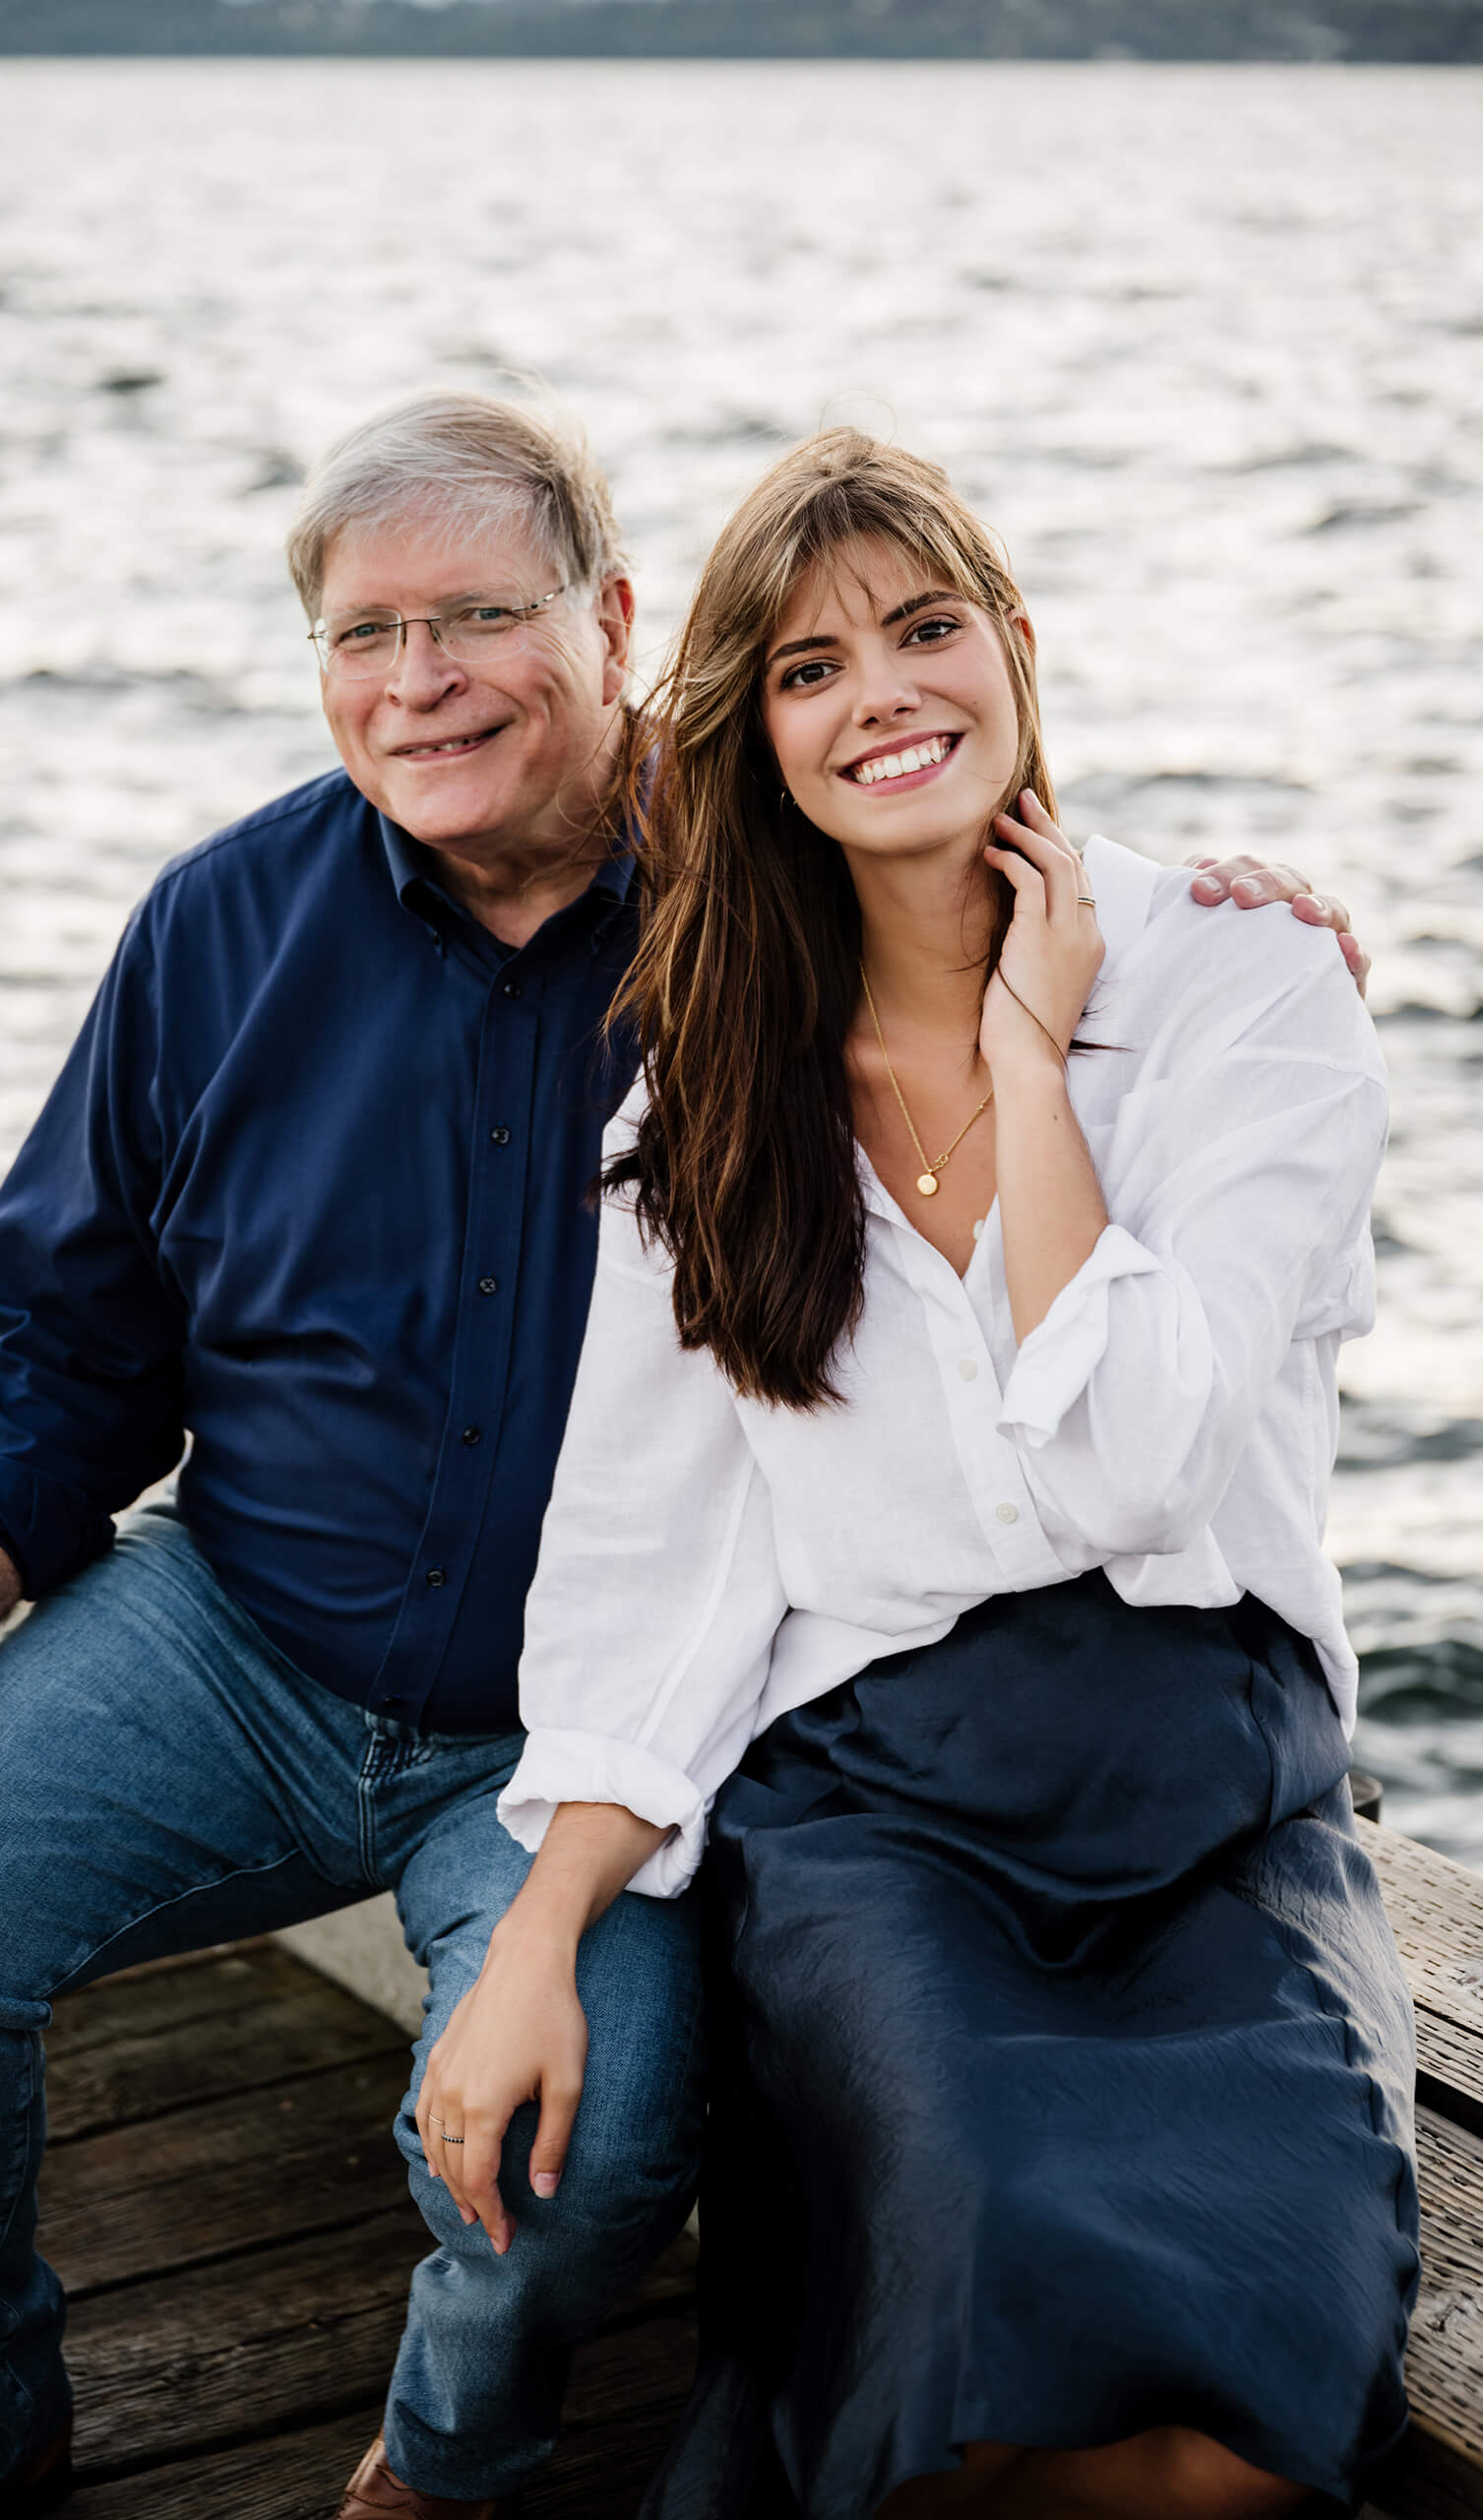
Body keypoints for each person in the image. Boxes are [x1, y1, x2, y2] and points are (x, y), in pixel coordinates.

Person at [0, 395, 1365, 2520]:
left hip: (590, 1716)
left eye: (476, 615)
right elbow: (65, 1328)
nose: (417, 678)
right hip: (245, 1620)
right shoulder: (220, 925)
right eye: (365, 633)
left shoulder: (747, 917)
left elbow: (927, 768)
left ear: (612, 621)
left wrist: (1201, 905)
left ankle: (447, 2460)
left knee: (606, 2118)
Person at [422, 429, 1419, 2520]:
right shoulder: (700, 1107)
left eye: (921, 628)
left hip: (1211, 1785)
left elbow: (1145, 1459)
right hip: (881, 1807)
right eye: (803, 667)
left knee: (1229, 2428)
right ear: (760, 739)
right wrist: (542, 1923)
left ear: (1016, 654)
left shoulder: (1248, 994)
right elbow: (652, 1557)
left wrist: (1031, 1057)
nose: (877, 692)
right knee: (966, 2337)